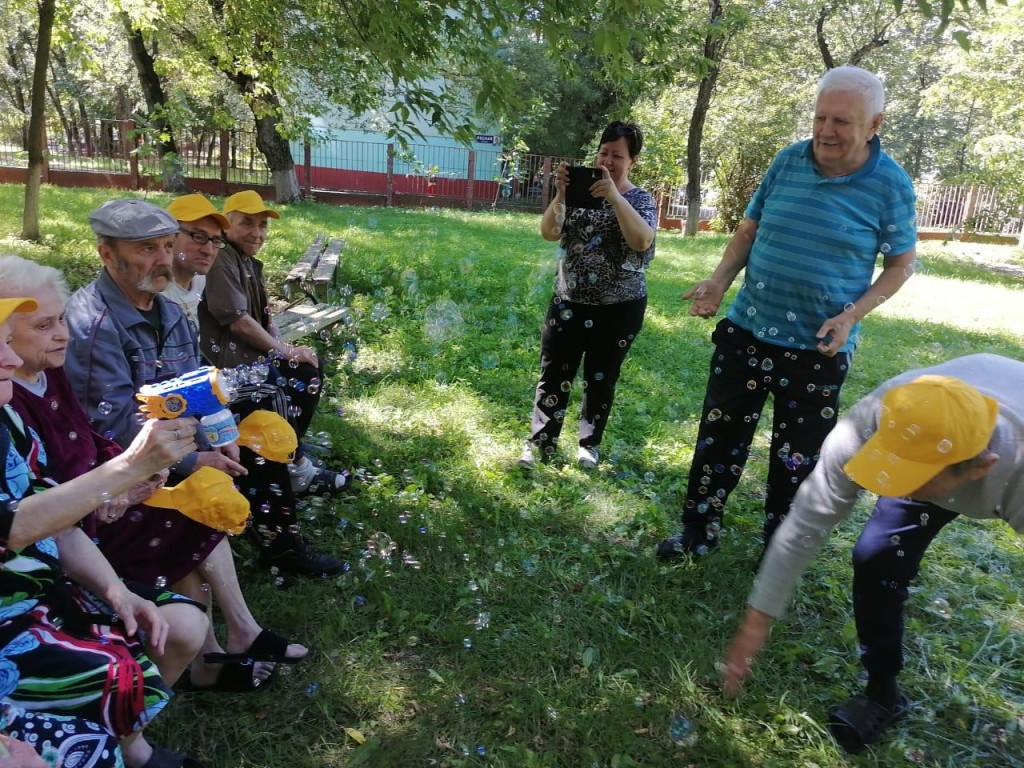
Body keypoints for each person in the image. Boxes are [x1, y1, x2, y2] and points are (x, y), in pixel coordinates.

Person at [0, 255, 308, 692]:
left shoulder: (49, 373)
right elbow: (38, 496)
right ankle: (209, 654)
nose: (63, 334)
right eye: (43, 325)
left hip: (102, 494)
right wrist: (121, 481)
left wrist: (139, 471)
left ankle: (231, 636)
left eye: (63, 319)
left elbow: (88, 436)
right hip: (78, 524)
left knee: (195, 502)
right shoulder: (9, 398)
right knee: (188, 514)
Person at [658, 66, 917, 559]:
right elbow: (749, 231)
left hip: (817, 349)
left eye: (841, 121)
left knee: (796, 459)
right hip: (748, 330)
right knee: (719, 437)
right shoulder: (787, 161)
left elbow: (901, 265)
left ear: (874, 124)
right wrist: (718, 280)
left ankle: (779, 550)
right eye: (820, 118)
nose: (825, 131)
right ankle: (697, 532)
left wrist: (852, 316)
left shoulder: (891, 185)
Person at [722, 353, 1024, 753]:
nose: (895, 486)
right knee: (876, 559)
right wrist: (757, 621)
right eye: (892, 467)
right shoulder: (877, 419)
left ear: (981, 467)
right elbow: (805, 523)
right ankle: (882, 692)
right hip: (946, 429)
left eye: (912, 478)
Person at [62, 198, 342, 578]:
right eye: (147, 249)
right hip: (125, 463)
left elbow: (197, 383)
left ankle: (280, 546)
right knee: (245, 444)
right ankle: (272, 547)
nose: (163, 258)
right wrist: (193, 460)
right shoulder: (93, 325)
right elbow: (113, 425)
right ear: (106, 254)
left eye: (165, 245)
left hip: (178, 436)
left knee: (261, 435)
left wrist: (221, 430)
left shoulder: (170, 312)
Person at [0, 295, 208, 768]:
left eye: (8, 342)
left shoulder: (7, 418)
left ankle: (132, 745)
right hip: (12, 621)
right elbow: (13, 528)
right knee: (112, 682)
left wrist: (117, 593)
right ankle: (122, 747)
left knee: (178, 623)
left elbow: (59, 521)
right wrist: (133, 465)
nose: (11, 359)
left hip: (46, 593)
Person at [520, 121, 656, 469]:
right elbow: (549, 232)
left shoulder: (639, 199)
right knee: (553, 373)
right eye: (604, 153)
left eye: (618, 156)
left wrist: (613, 196)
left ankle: (588, 445)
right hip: (568, 300)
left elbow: (641, 240)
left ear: (633, 161)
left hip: (620, 307)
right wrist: (562, 194)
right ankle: (542, 441)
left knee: (601, 376)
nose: (608, 161)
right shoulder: (579, 193)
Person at [197, 190, 349, 496]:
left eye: (263, 225)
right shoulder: (223, 257)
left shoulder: (247, 260)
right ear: (226, 225)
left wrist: (284, 346)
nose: (257, 233)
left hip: (248, 359)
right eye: (247, 223)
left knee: (306, 372)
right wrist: (284, 351)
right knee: (280, 385)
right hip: (226, 367)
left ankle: (291, 455)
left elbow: (263, 318)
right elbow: (237, 320)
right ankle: (296, 471)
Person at [162, 194, 230, 331]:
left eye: (216, 241)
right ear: (169, 236)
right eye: (198, 237)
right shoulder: (152, 290)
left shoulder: (199, 279)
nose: (209, 251)